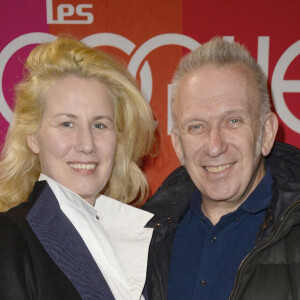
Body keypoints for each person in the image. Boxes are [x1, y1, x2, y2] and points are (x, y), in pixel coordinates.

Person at [142, 37, 300, 300]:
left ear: (267, 133)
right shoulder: (146, 233)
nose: (214, 146)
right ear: (178, 145)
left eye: (233, 121)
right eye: (196, 126)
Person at [0, 37, 156, 300]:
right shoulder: (10, 238)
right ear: (33, 138)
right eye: (67, 124)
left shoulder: (135, 238)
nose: (86, 145)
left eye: (99, 125)